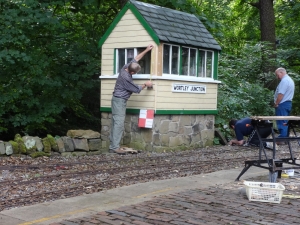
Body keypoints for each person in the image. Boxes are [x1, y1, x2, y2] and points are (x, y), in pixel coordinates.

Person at [109, 44, 154, 154]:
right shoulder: (126, 79)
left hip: (117, 100)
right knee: (119, 123)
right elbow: (137, 89)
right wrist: (146, 84)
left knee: (115, 122)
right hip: (119, 101)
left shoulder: (126, 67)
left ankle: (112, 146)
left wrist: (147, 50)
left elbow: (136, 58)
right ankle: (115, 147)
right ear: (132, 72)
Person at [274, 67, 295, 143]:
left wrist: (276, 103)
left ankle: (281, 139)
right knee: (285, 122)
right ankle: (285, 138)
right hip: (288, 103)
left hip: (282, 103)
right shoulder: (290, 80)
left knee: (281, 121)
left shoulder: (284, 81)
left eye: (277, 75)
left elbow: (281, 94)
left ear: (281, 72)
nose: (277, 77)